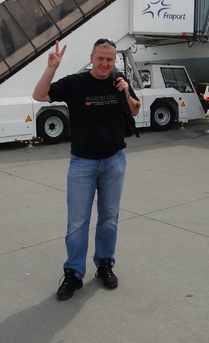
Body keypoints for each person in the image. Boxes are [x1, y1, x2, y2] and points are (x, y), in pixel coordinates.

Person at [33, 38, 141, 300]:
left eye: (110, 59)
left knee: (109, 218)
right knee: (77, 222)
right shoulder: (75, 83)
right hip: (82, 163)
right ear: (91, 58)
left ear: (114, 61)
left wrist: (126, 92)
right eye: (100, 58)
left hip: (115, 161)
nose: (105, 64)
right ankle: (73, 273)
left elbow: (136, 111)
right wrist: (52, 68)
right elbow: (39, 95)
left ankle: (105, 265)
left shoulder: (119, 82)